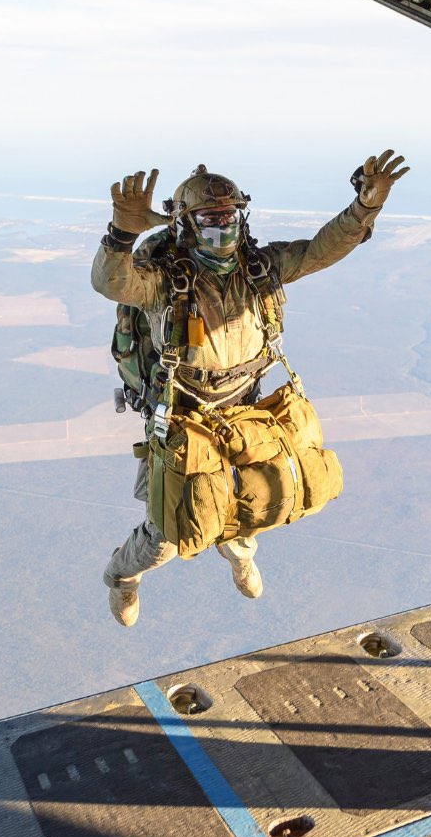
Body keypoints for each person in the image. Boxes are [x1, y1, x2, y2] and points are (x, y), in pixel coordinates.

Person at [93, 152, 408, 626]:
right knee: (169, 532)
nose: (222, 223)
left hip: (246, 405)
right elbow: (111, 282)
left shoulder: (261, 266)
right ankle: (122, 575)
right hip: (183, 414)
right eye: (209, 216)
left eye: (229, 214)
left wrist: (364, 207)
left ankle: (239, 554)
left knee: (260, 496)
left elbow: (324, 248)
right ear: (185, 224)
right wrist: (121, 233)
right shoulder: (165, 279)